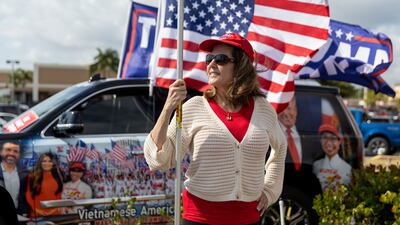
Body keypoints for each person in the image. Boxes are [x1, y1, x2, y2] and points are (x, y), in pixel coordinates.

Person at [144, 32, 287, 225]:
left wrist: (270, 190)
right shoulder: (193, 107)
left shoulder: (263, 108)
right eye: (209, 58)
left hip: (248, 218)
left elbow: (280, 147)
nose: (211, 64)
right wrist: (168, 108)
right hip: (200, 218)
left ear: (241, 66)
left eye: (220, 59)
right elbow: (159, 159)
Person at [313, 124, 352, 190]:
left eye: (333, 138)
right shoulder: (316, 165)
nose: (328, 143)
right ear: (321, 141)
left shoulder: (347, 168)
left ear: (339, 142)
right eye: (325, 138)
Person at [26, 152, 64, 216]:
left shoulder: (58, 175)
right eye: (44, 161)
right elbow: (28, 194)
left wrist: (54, 209)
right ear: (40, 163)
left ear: (53, 163)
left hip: (54, 213)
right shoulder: (33, 176)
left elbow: (59, 194)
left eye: (50, 161)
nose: (47, 163)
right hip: (38, 213)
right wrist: (36, 209)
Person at [0, 141, 29, 216]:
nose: (12, 154)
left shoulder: (24, 174)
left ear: (19, 155)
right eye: (8, 150)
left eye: (15, 151)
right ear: (1, 152)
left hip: (18, 215)